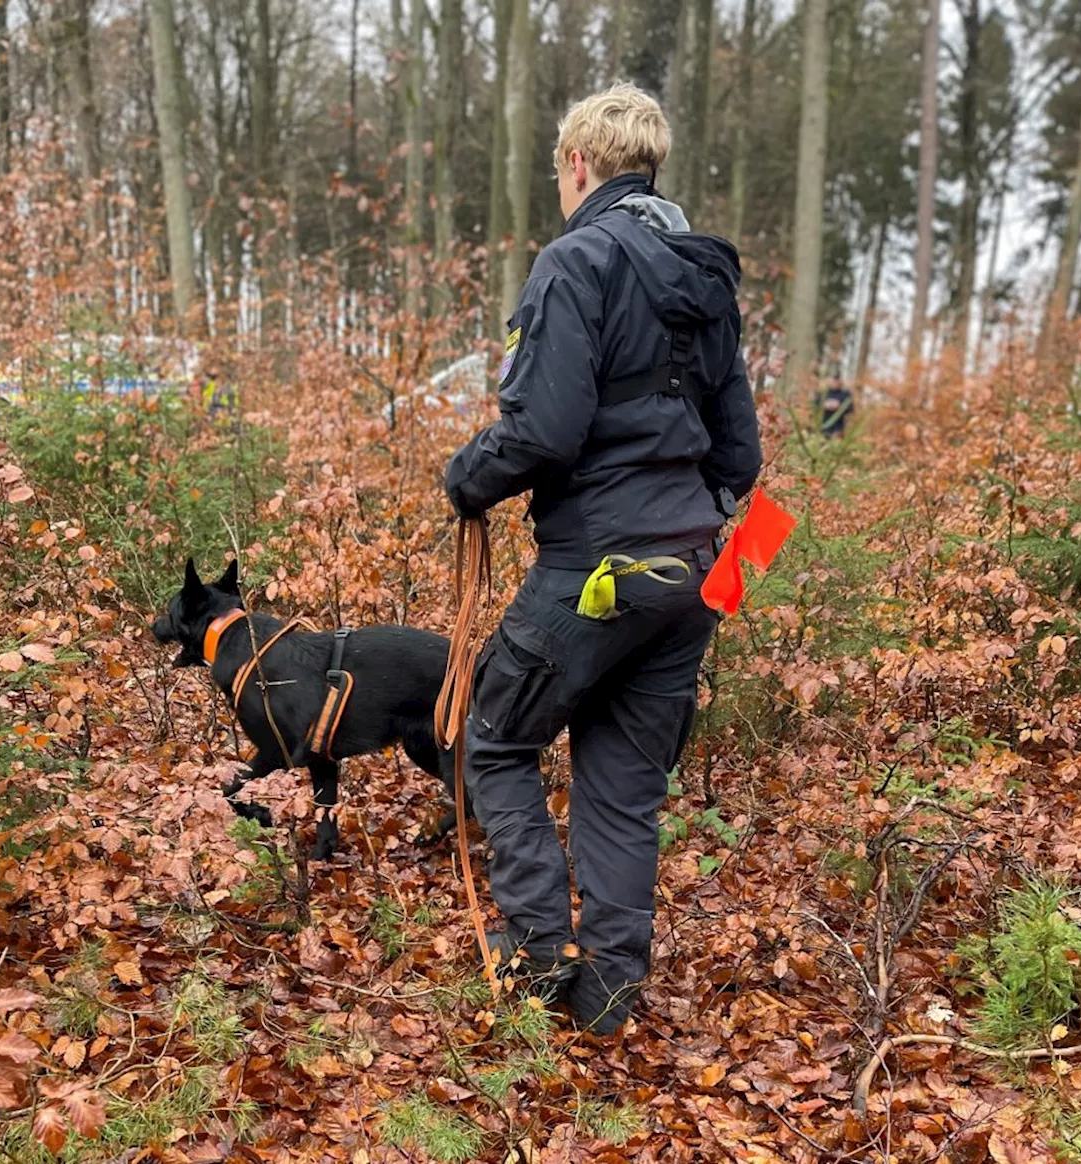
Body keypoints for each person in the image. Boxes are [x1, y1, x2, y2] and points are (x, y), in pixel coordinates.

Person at [443, 83, 763, 1035]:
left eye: (559, 171)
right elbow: (740, 458)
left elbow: (542, 430)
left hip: (597, 569)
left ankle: (539, 961)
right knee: (623, 797)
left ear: (578, 166)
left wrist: (467, 479)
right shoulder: (706, 277)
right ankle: (610, 1001)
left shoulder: (573, 259)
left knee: (490, 739)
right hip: (695, 575)